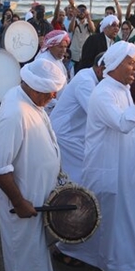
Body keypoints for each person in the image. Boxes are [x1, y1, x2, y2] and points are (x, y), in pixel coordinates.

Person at [56, 41, 135, 271]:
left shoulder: (120, 88)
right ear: (115, 64)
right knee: (104, 216)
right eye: (130, 62)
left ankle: (132, 262)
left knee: (124, 216)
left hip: (124, 164)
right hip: (108, 165)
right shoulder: (103, 92)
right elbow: (124, 123)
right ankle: (114, 262)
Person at [0, 58, 67, 271]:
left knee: (31, 252)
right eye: (49, 92)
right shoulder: (14, 112)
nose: (53, 96)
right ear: (33, 86)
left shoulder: (29, 100)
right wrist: (19, 201)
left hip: (36, 197)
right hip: (22, 203)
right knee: (21, 253)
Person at [50, 52, 105, 184]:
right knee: (80, 171)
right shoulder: (85, 81)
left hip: (73, 132)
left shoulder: (90, 77)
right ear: (100, 69)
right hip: (65, 133)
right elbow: (97, 113)